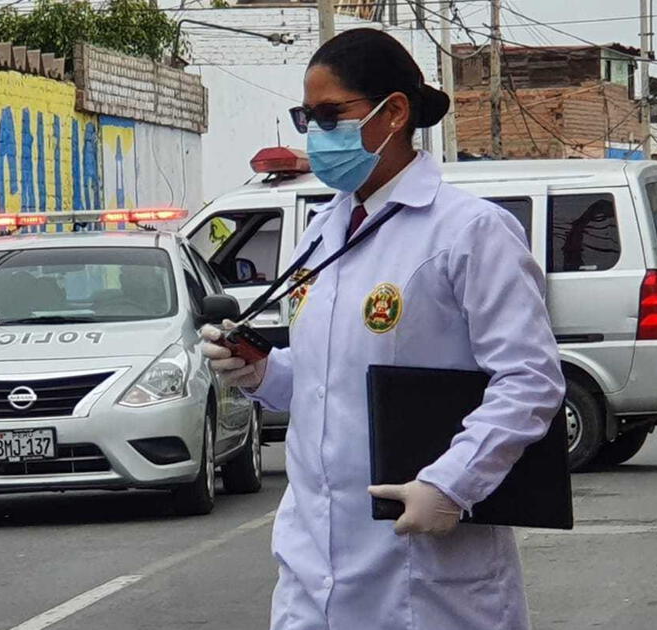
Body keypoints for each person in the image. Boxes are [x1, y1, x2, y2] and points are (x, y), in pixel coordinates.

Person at [200, 29, 565, 630]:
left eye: (328, 114)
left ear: (393, 113)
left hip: (425, 569)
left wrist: (451, 485)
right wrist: (263, 371)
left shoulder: (470, 232)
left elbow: (530, 381)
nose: (315, 133)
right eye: (305, 117)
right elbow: (330, 385)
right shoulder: (322, 231)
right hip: (313, 565)